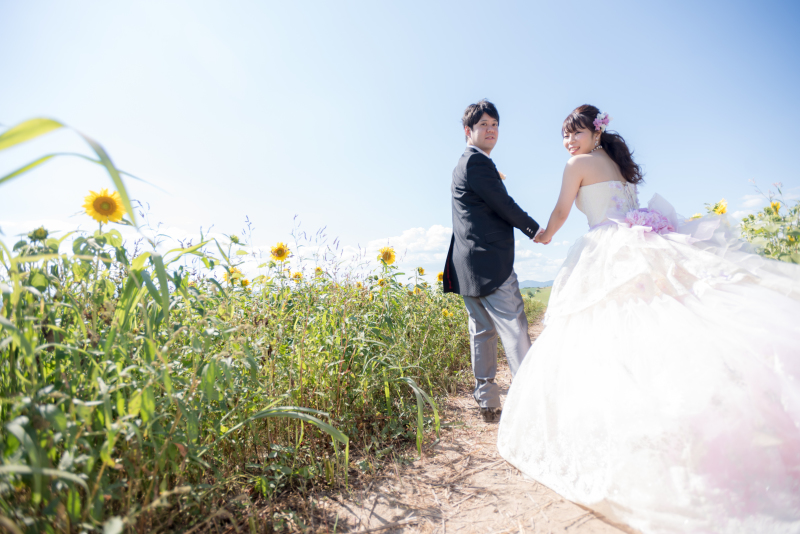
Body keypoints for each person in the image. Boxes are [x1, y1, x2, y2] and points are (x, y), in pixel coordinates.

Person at [498, 104, 800, 533]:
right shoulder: (616, 164)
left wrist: (543, 234)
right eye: (565, 135)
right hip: (639, 240)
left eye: (576, 133)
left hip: (608, 245)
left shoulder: (578, 164)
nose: (569, 142)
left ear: (593, 134)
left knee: (605, 330)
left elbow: (564, 210)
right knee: (653, 323)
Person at [443, 99, 543, 423]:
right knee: (514, 329)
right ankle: (529, 403)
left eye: (495, 125)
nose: (491, 130)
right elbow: (503, 204)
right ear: (467, 131)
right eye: (483, 125)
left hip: (467, 266)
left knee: (482, 332)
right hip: (490, 264)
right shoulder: (476, 164)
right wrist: (534, 229)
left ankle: (487, 402)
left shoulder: (465, 165)